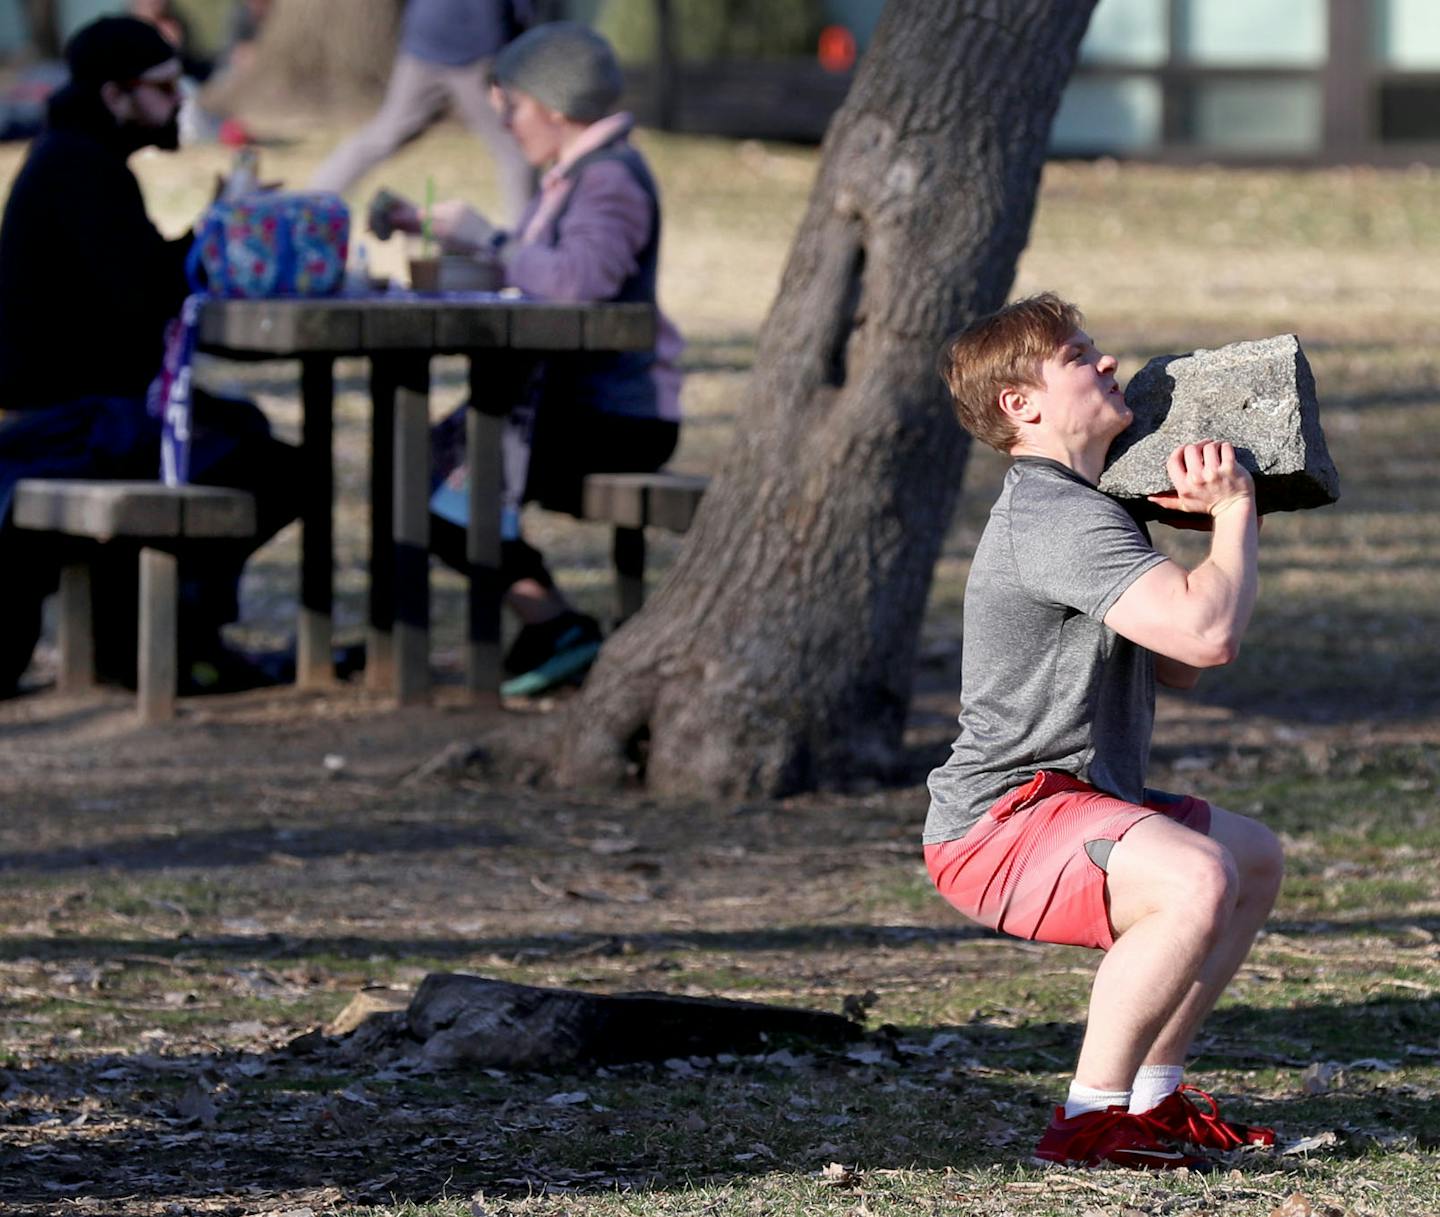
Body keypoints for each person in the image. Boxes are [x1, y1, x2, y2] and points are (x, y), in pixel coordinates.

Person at [924, 294, 1284, 1170]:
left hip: (1072, 803)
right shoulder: (1054, 514)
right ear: (1024, 403)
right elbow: (1210, 635)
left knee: (1253, 857)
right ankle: (1088, 1119)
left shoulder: (1094, 508)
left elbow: (1182, 662)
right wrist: (1237, 513)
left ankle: (1153, 1099)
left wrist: (1210, 529)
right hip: (1000, 824)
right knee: (1196, 875)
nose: (1110, 362)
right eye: (1081, 355)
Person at [374, 21, 684, 698]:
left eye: (510, 105)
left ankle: (554, 626)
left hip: (615, 414)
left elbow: (577, 280)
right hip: (571, 406)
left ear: (553, 106)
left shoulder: (609, 180)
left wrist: (489, 239)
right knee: (414, 469)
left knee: (429, 476)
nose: (505, 120)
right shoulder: (577, 177)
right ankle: (551, 625)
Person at [0, 15, 299, 695]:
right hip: (68, 421)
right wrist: (212, 235)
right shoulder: (80, 168)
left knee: (245, 437)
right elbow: (147, 298)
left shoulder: (76, 159)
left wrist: (210, 227)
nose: (178, 104)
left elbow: (134, 283)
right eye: (163, 90)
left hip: (80, 405)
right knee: (271, 468)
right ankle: (176, 639)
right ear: (116, 96)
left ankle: (153, 635)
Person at [309, 0, 532, 224]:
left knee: (384, 134)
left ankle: (313, 200)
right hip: (474, 49)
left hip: (427, 40)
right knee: (513, 149)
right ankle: (527, 238)